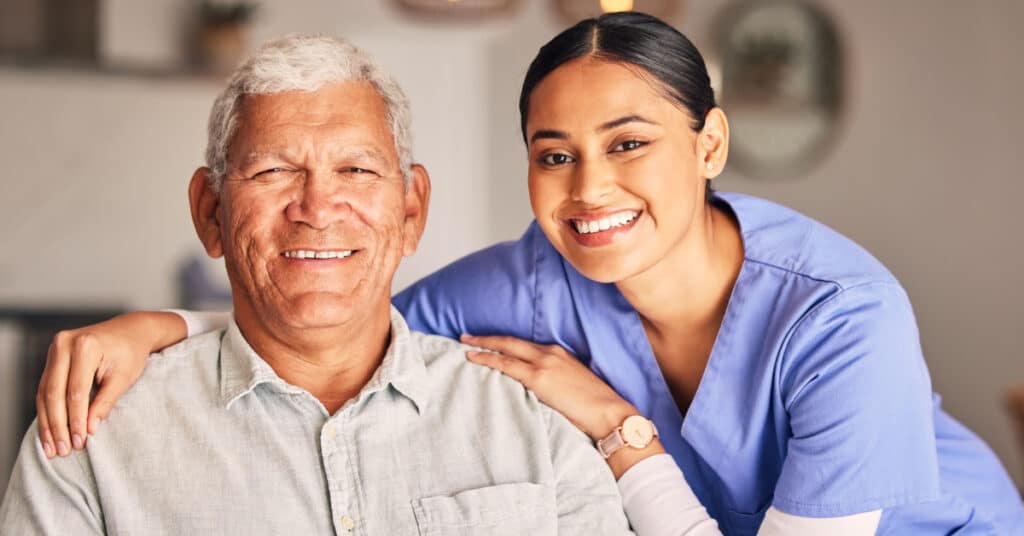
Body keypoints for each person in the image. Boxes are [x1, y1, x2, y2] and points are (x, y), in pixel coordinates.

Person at [30, 12, 1024, 535]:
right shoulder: (530, 284)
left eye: (629, 142)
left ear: (711, 142)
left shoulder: (843, 317)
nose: (590, 188)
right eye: (554, 152)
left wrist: (618, 430)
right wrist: (161, 329)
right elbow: (327, 311)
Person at [0, 35, 633, 534]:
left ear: (411, 211)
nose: (317, 206)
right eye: (272, 170)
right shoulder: (95, 437)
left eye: (356, 169)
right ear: (208, 212)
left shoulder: (533, 420)